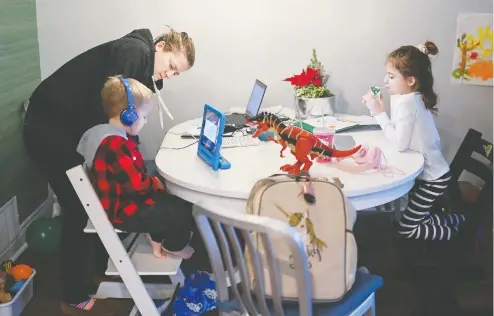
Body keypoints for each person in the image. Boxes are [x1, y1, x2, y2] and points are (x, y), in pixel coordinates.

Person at [23, 26, 195, 316]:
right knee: (78, 209)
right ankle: (74, 293)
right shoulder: (134, 51)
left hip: (65, 128)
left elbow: (122, 115)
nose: (170, 75)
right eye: (171, 66)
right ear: (160, 47)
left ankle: (99, 271)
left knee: (93, 206)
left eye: (177, 73)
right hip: (49, 130)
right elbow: (117, 106)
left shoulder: (141, 64)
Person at [77, 76, 195, 259]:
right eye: (144, 116)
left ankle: (157, 240)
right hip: (125, 210)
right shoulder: (115, 145)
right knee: (181, 207)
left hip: (123, 201)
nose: (145, 121)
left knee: (166, 193)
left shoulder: (105, 133)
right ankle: (174, 245)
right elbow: (137, 186)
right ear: (129, 115)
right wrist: (155, 183)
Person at [362, 41, 465, 241]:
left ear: (410, 80)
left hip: (432, 180)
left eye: (391, 77)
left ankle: (458, 234)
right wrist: (382, 112)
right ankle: (456, 220)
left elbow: (400, 144)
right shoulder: (408, 97)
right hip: (431, 174)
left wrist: (378, 113)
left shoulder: (408, 102)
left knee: (406, 229)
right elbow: (401, 134)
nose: (385, 81)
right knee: (414, 218)